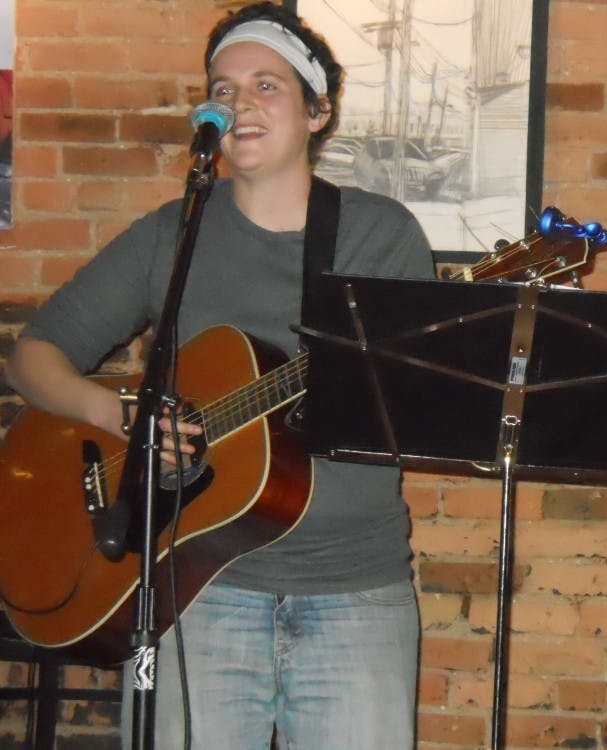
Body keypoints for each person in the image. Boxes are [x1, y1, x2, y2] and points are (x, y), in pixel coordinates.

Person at [5, 3, 434, 748]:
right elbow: (32, 357)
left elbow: (414, 407)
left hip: (352, 591)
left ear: (317, 111)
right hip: (193, 591)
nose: (241, 104)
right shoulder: (171, 236)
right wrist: (119, 418)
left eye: (267, 85)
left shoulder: (379, 235)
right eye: (224, 89)